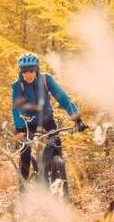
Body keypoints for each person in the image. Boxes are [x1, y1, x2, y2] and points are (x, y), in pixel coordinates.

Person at [12, 53, 86, 184]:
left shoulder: (46, 80)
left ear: (37, 70)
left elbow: (63, 98)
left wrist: (77, 118)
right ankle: (23, 189)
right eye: (24, 71)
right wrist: (20, 128)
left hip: (46, 119)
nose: (28, 74)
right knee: (25, 152)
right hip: (27, 123)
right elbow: (16, 109)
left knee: (56, 143)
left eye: (31, 71)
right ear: (21, 72)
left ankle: (58, 175)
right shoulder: (18, 85)